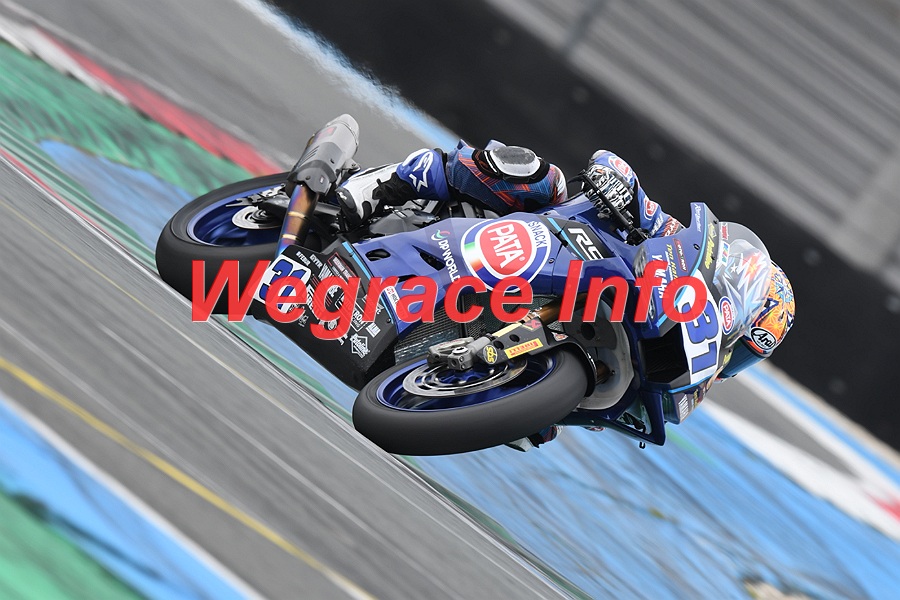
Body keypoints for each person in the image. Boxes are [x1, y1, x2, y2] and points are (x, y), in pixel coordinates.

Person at [337, 140, 795, 450]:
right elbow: (613, 164)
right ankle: (377, 187)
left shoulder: (687, 378)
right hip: (556, 246)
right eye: (743, 341)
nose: (733, 357)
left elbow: (603, 406)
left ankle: (459, 361)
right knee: (536, 177)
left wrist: (539, 408)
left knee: (536, 433)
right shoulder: (675, 241)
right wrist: (619, 189)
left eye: (744, 355)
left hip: (523, 323)